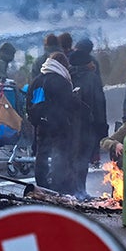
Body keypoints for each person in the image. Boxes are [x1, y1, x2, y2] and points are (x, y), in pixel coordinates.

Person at [27, 52, 78, 193]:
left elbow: (29, 103)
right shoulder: (61, 81)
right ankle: (57, 188)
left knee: (42, 155)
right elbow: (68, 105)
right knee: (60, 155)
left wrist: (35, 120)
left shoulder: (37, 80)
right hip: (59, 125)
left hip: (40, 124)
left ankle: (41, 185)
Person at [70, 48, 107, 184]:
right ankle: (80, 189)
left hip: (70, 126)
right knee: (83, 159)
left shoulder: (67, 77)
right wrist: (102, 128)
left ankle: (72, 190)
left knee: (71, 159)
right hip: (88, 125)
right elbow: (99, 104)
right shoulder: (93, 78)